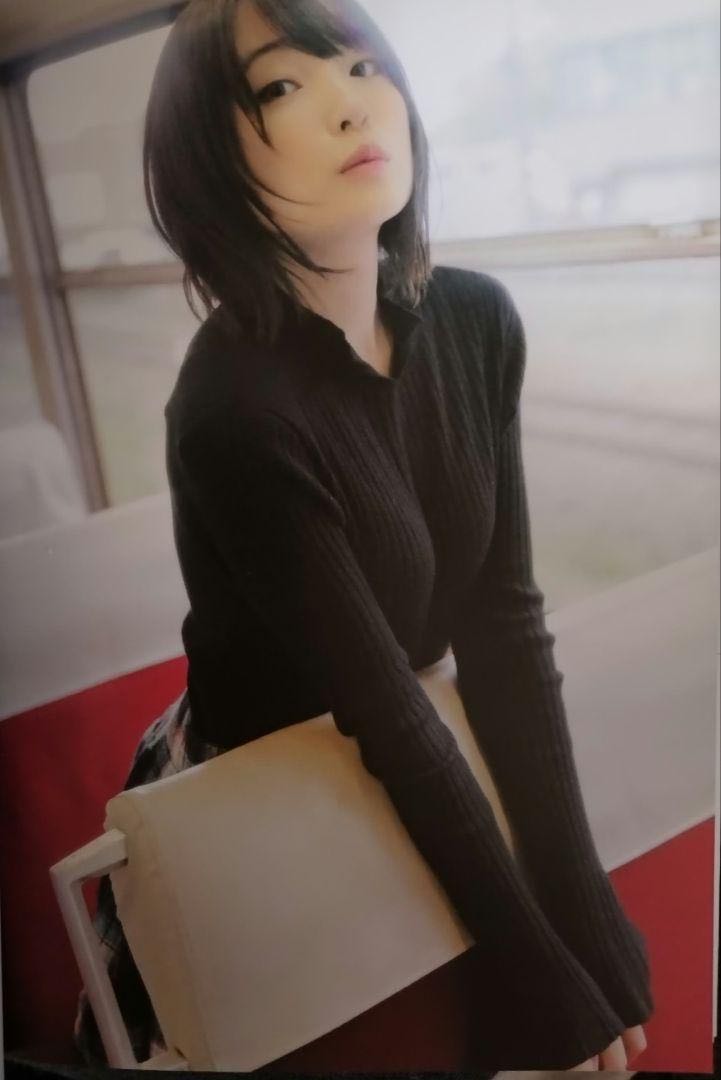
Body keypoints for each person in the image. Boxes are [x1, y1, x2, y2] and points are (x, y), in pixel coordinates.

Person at [74, 0, 654, 1069]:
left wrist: (587, 911)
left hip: (399, 755)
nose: (350, 106)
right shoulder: (231, 409)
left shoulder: (475, 318)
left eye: (360, 65)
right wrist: (537, 972)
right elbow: (383, 711)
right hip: (261, 799)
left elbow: (504, 625)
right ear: (209, 158)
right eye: (282, 86)